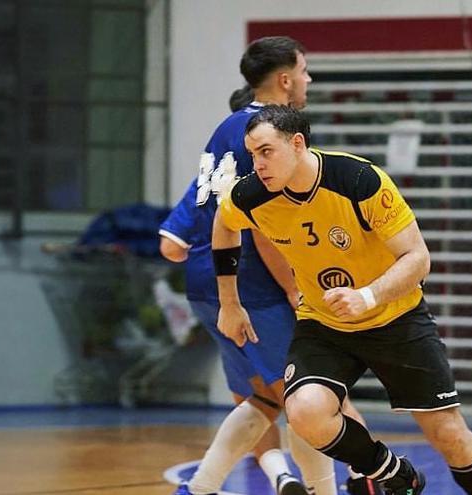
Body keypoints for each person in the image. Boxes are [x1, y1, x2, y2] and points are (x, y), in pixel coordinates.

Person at [212, 104, 472, 495]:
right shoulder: (251, 195)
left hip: (396, 319)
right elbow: (224, 225)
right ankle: (393, 473)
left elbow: (418, 259)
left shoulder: (359, 180)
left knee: (450, 436)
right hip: (324, 324)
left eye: (266, 152)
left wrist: (368, 296)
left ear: (297, 144)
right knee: (304, 411)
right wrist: (229, 303)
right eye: (252, 154)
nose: (258, 164)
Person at [160, 37, 375, 495]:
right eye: (305, 70)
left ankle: (198, 488)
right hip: (251, 286)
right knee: (312, 395)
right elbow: (262, 228)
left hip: (208, 283)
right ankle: (353, 484)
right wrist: (297, 291)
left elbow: (171, 245)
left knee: (262, 398)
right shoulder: (267, 136)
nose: (308, 79)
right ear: (285, 78)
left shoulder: (223, 130)